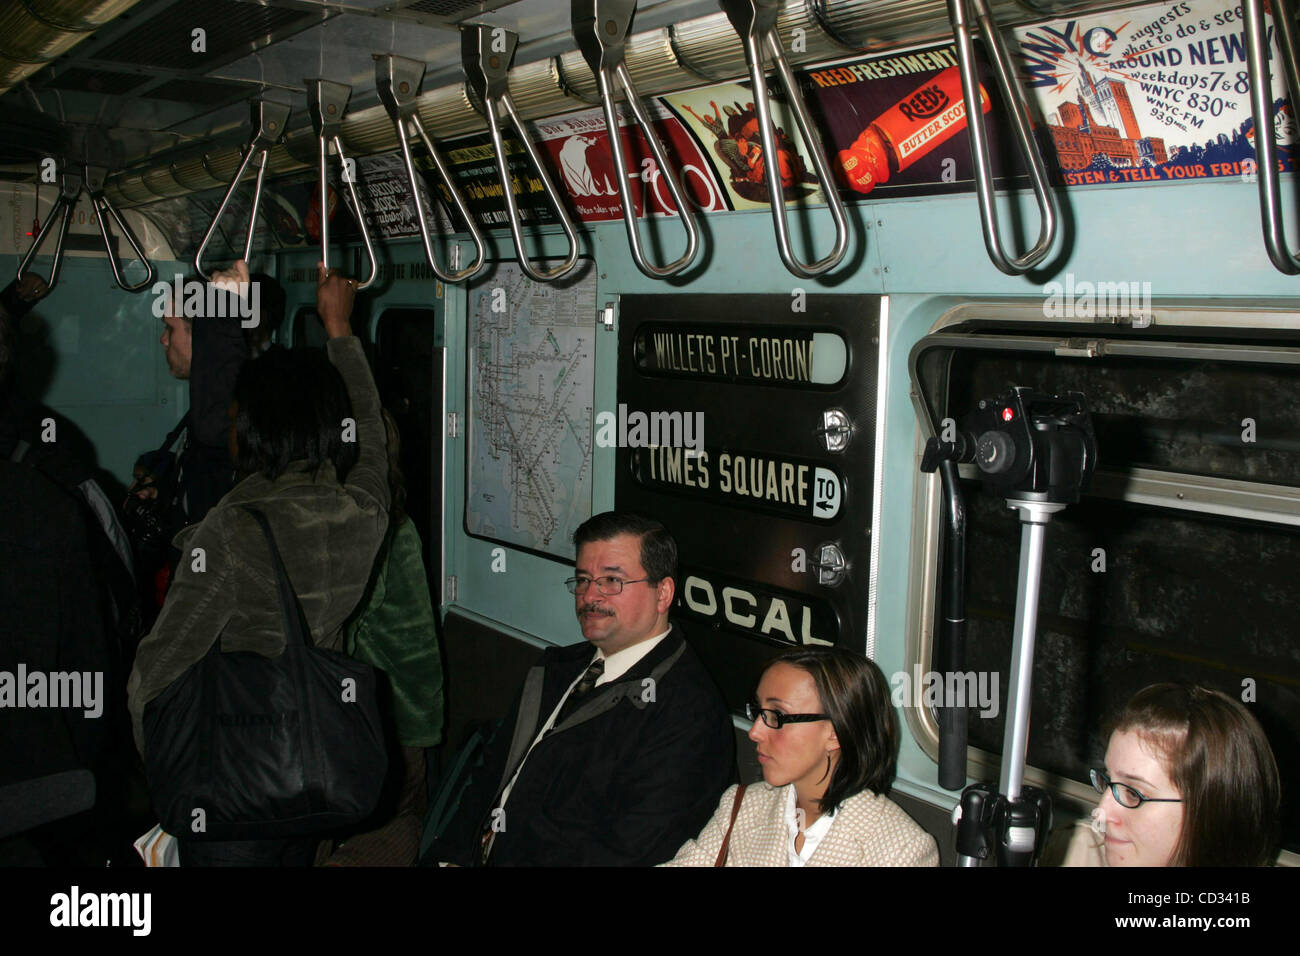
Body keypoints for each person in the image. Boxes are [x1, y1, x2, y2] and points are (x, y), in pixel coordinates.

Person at [127, 264, 390, 866]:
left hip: (232, 787)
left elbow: (157, 672)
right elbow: (373, 434)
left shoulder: (230, 529)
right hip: (313, 771)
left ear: (252, 429)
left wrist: (165, 767)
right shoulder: (362, 511)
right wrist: (340, 327)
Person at [427, 511, 734, 866]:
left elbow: (629, 852)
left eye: (612, 581)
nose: (590, 596)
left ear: (663, 593)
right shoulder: (558, 669)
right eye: (584, 579)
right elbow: (488, 780)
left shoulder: (688, 715)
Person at [665, 647, 939, 866]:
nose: (755, 731)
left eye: (777, 716)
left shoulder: (902, 852)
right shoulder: (744, 806)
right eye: (758, 711)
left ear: (835, 733)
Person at [319, 408, 444, 866]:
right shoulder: (393, 522)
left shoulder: (365, 530)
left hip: (384, 722)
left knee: (384, 832)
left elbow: (343, 626)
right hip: (402, 715)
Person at [1053, 683, 1281, 867]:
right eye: (1108, 782)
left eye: (1133, 794)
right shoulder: (1075, 851)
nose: (1101, 812)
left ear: (1210, 810)